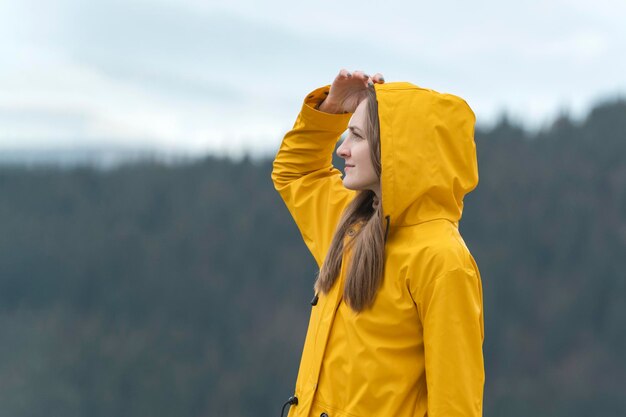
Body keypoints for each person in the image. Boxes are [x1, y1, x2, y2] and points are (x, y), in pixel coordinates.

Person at [272, 69, 485, 417]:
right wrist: (333, 107)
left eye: (356, 135)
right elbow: (296, 172)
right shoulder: (348, 224)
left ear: (398, 149)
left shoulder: (443, 261)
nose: (342, 149)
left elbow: (456, 408)